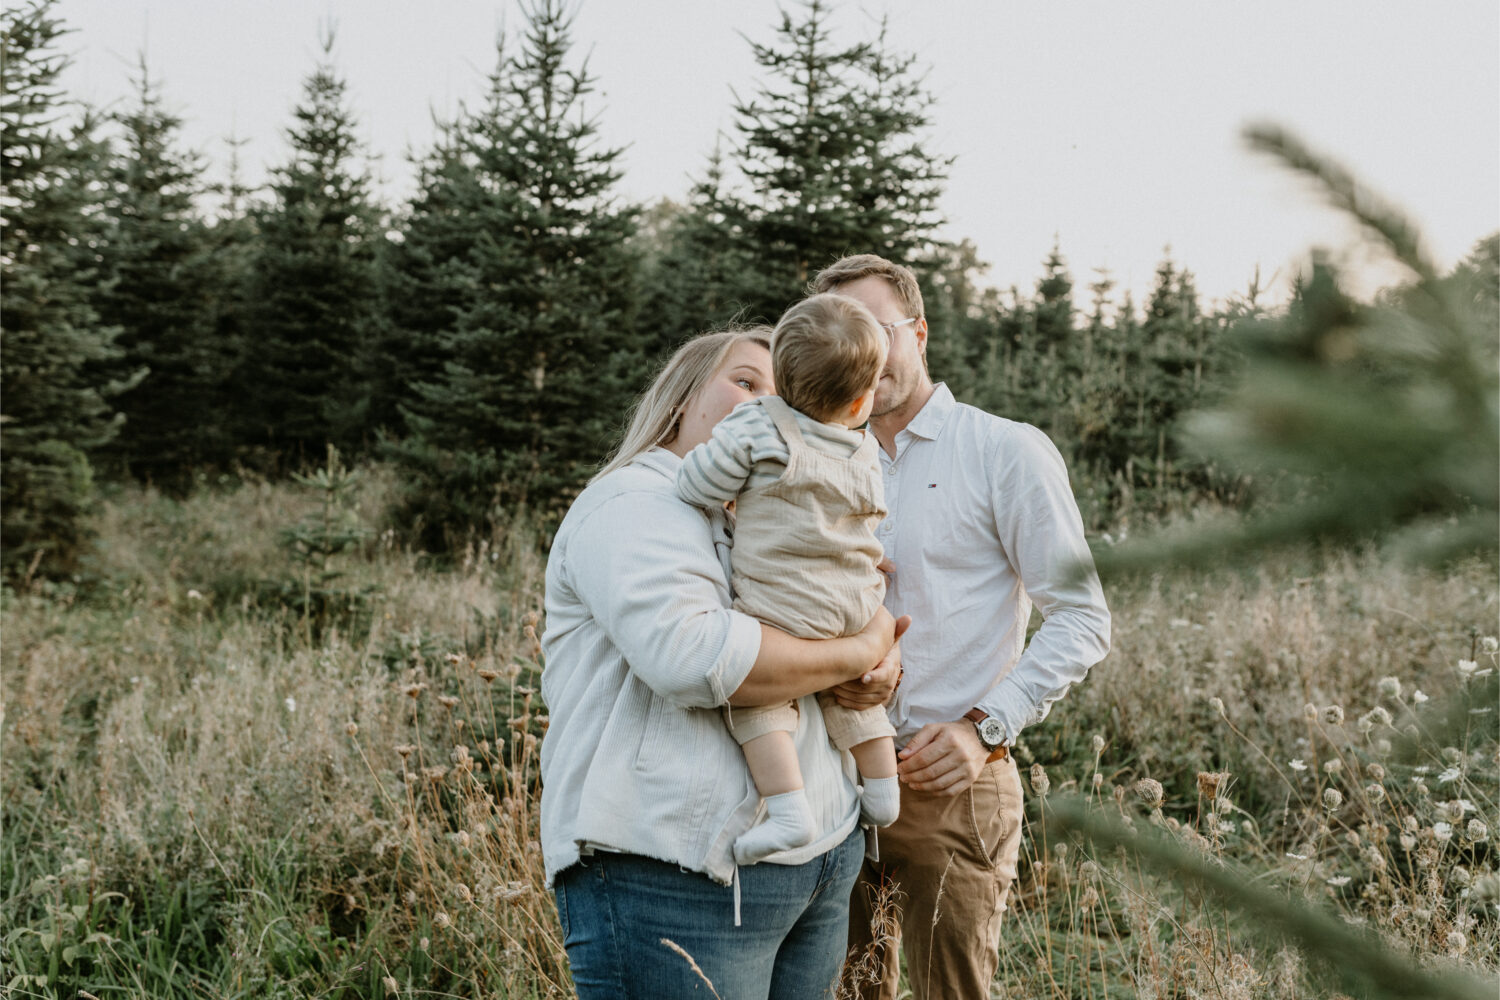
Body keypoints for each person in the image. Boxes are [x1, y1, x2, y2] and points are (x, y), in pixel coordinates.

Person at [539, 328, 906, 1000]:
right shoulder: (634, 503)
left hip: (820, 861)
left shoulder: (782, 505)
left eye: (784, 391)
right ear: (681, 398)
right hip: (672, 874)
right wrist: (857, 653)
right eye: (745, 381)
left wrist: (881, 656)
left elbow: (858, 591)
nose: (770, 404)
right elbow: (698, 659)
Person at [810, 255, 1112, 1000]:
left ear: (918, 333)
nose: (861, 355)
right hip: (828, 778)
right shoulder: (816, 459)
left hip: (947, 781)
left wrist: (985, 727)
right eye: (837, 338)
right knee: (845, 992)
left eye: (875, 331)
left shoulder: (1003, 451)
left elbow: (1082, 617)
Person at [675, 295, 901, 866]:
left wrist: (718, 482)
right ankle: (882, 787)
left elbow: (699, 484)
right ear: (861, 400)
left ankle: (787, 810)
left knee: (761, 702)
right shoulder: (863, 445)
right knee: (846, 687)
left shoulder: (759, 424)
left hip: (786, 603)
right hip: (856, 599)